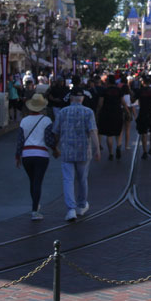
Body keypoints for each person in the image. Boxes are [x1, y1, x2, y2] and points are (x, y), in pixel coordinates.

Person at [53, 87, 100, 222]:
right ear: (82, 98)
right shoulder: (88, 112)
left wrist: (55, 147)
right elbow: (92, 131)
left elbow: (56, 131)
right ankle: (81, 205)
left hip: (67, 151)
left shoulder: (63, 112)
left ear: (71, 98)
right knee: (82, 179)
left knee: (68, 180)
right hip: (84, 151)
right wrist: (97, 148)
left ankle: (71, 209)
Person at [15, 93, 54, 220]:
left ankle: (35, 206)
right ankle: (35, 210)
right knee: (38, 181)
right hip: (41, 155)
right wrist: (55, 148)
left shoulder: (24, 121)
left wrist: (17, 155)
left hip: (27, 155)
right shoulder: (46, 120)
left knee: (32, 181)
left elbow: (20, 140)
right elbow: (48, 140)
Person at [96, 75, 126, 161]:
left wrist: (97, 113)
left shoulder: (104, 91)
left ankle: (111, 153)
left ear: (108, 82)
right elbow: (123, 102)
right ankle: (118, 146)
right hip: (117, 112)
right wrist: (127, 111)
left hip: (107, 113)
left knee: (109, 134)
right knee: (118, 131)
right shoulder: (119, 90)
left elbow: (100, 104)